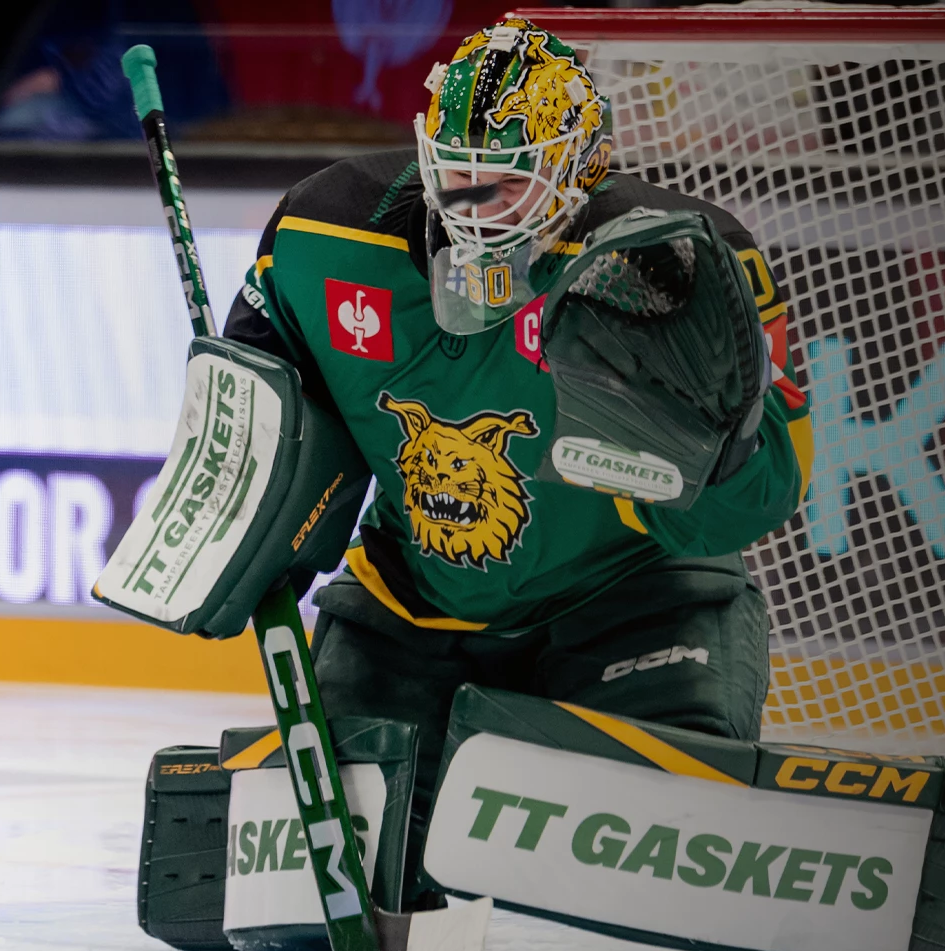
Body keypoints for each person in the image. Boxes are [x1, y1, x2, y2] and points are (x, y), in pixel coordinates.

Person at [219, 17, 812, 905]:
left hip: (635, 605)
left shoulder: (680, 262)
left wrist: (716, 447)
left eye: (502, 184)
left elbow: (763, 498)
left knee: (674, 842)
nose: (468, 208)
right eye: (452, 175)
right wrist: (241, 519)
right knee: (328, 868)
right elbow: (263, 418)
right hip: (411, 612)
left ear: (577, 170)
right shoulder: (322, 232)